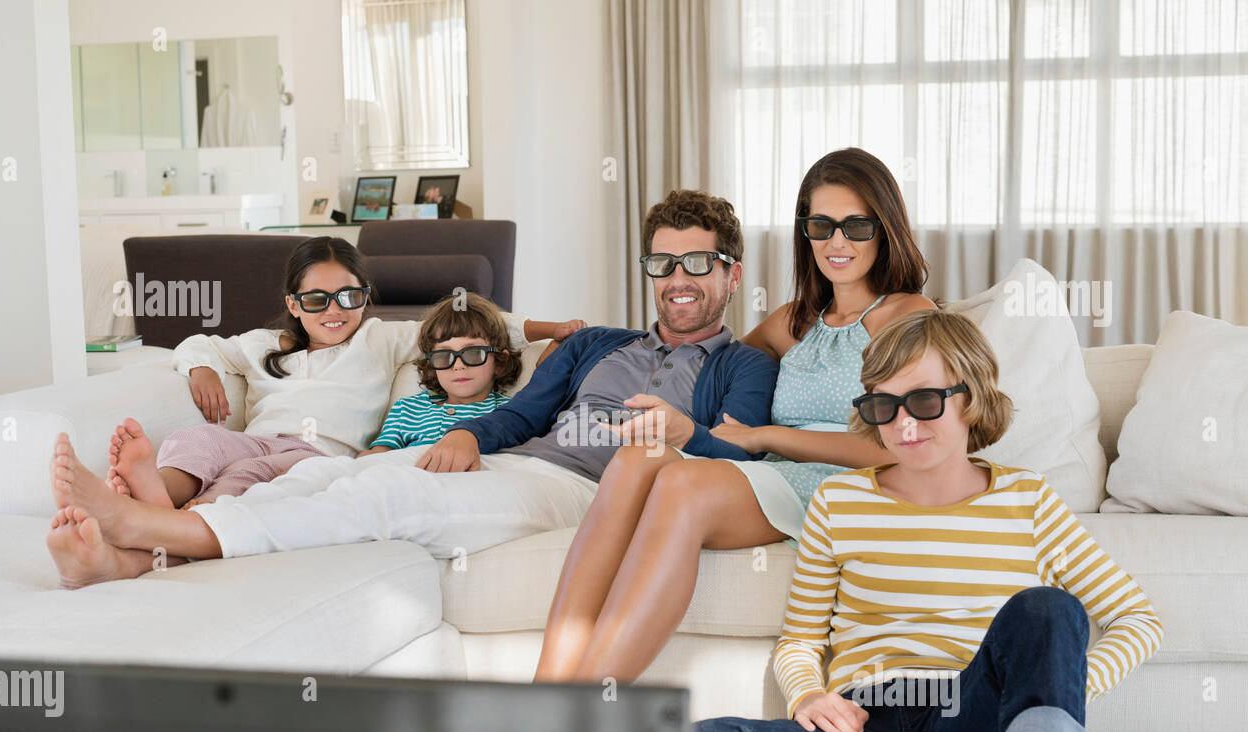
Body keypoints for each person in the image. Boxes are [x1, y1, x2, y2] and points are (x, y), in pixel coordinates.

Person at [44, 190, 779, 589]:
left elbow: (739, 466)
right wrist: (463, 433)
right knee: (335, 469)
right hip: (517, 458)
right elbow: (521, 412)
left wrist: (687, 437)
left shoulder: (742, 365)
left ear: (731, 273)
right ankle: (133, 562)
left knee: (391, 499)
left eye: (699, 263)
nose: (678, 280)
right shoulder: (596, 345)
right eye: (664, 264)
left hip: (585, 492)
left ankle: (150, 527)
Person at [694, 309, 1163, 732]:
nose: (903, 425)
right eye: (883, 406)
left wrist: (1056, 686)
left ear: (971, 397)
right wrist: (808, 695)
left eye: (923, 400)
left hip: (969, 731)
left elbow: (1139, 621)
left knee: (1048, 609)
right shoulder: (838, 503)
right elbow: (799, 640)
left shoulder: (1029, 500)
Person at [535, 147, 935, 682]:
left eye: (855, 226)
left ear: (883, 229)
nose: (837, 242)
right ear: (805, 234)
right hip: (768, 473)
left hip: (849, 481)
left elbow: (898, 446)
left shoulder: (907, 314)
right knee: (638, 458)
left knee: (682, 487)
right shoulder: (790, 322)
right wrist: (572, 355)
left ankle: (583, 710)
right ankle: (546, 694)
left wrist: (763, 435)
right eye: (821, 226)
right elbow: (700, 354)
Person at [103, 236, 577, 510]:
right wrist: (202, 367)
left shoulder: (378, 339)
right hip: (257, 436)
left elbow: (473, 329)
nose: (334, 311)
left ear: (365, 296)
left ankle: (181, 523)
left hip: (316, 454)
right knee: (197, 441)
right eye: (316, 300)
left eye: (348, 297)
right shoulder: (262, 346)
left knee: (247, 475)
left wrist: (552, 327)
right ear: (293, 304)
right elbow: (196, 343)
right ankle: (156, 492)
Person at [359, 292, 521, 456]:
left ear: (499, 363)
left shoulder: (510, 412)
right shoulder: (406, 409)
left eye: (473, 353)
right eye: (444, 356)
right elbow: (378, 456)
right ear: (431, 366)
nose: (458, 366)